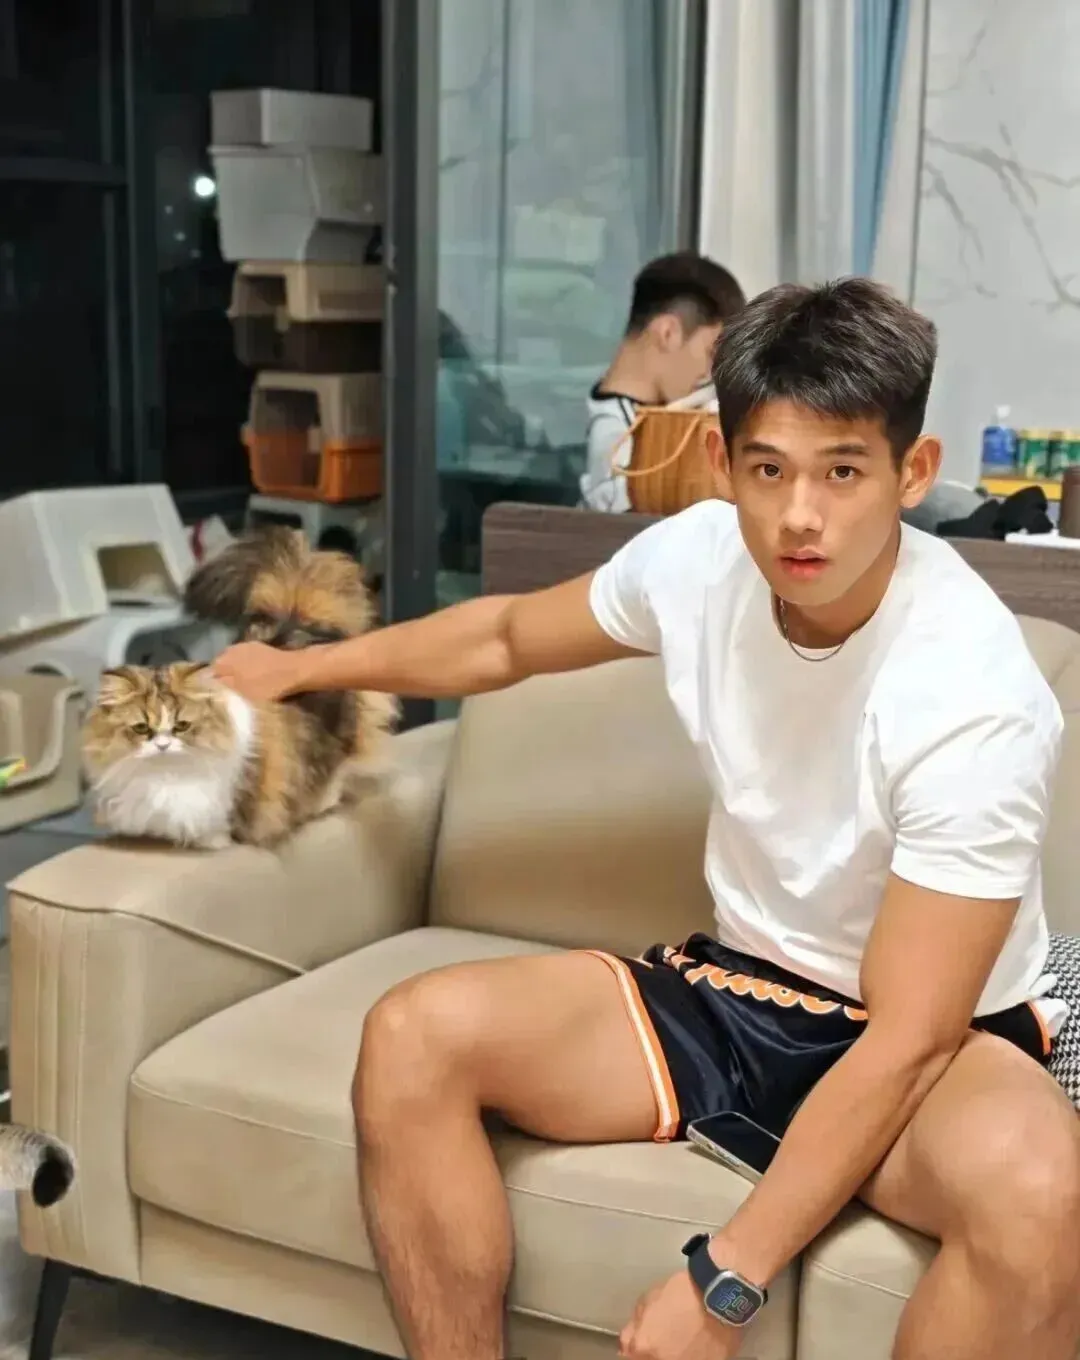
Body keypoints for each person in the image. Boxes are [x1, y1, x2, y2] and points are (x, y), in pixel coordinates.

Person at [213, 279, 1080, 1360]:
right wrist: (302, 669)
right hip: (737, 995)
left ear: (913, 472)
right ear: (721, 463)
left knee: (1041, 1190)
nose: (800, 515)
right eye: (770, 469)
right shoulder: (700, 560)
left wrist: (724, 1281)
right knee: (412, 1035)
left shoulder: (975, 693)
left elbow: (909, 1039)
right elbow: (504, 639)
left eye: (843, 471)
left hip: (929, 1048)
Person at [581, 250, 746, 512]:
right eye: (710, 353)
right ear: (668, 333)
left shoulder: (658, 418)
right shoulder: (617, 440)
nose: (709, 374)